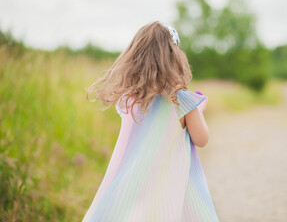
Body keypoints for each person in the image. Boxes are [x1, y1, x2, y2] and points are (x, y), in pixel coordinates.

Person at [83, 21, 219, 222]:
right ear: (174, 58)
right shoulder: (182, 100)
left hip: (134, 183)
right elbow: (202, 138)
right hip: (171, 185)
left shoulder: (129, 99)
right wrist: (197, 110)